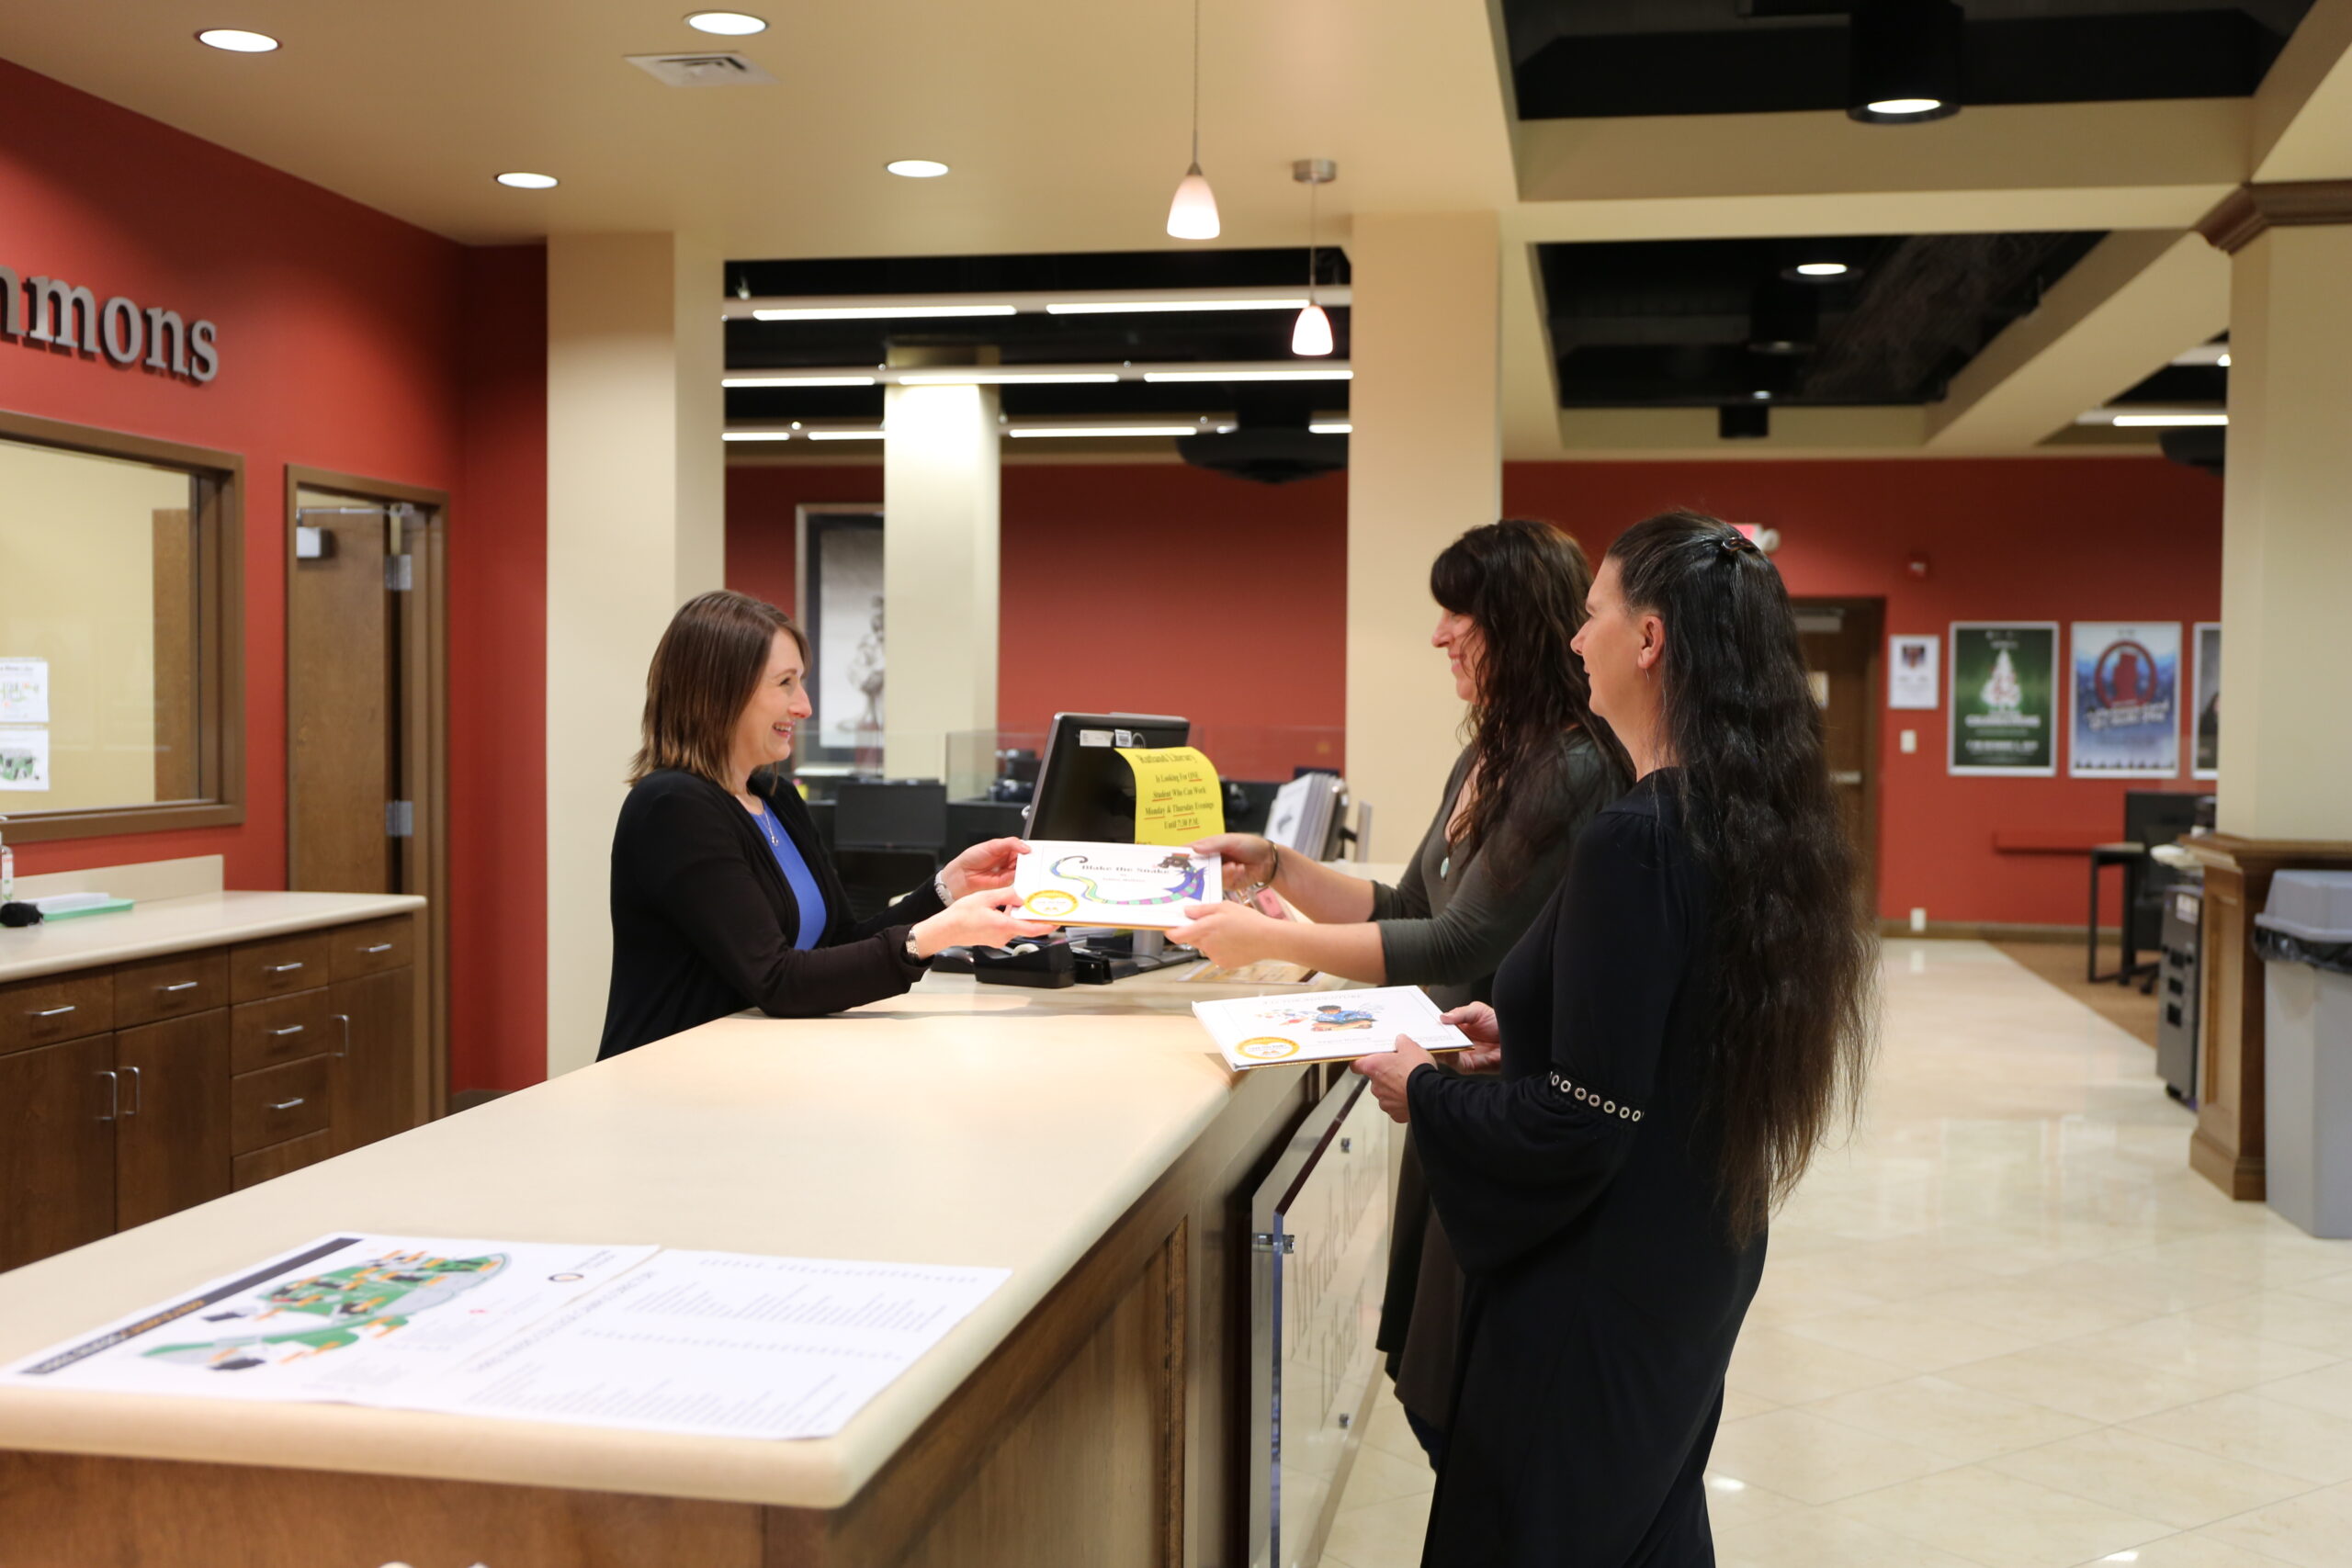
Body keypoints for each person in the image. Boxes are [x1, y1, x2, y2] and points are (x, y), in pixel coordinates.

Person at [1352, 511, 1875, 1566]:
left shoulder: (1634, 840)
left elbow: (1582, 1123)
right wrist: (1530, 1035)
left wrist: (1428, 1091)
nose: (1574, 638)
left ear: (1648, 639)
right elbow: (1672, 1045)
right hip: (1693, 1252)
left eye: (1592, 615)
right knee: (1642, 1528)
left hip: (1599, 1288)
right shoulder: (1743, 818)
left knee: (1544, 1529)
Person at [1169, 518, 1630, 1461]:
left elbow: (1460, 941)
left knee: (1463, 1396)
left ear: (1518, 624)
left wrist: (1264, 938)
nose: (1438, 635)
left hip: (1505, 1094)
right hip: (1450, 1091)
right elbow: (1411, 905)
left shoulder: (1573, 767)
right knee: (1429, 1381)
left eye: (1462, 615)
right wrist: (1277, 865)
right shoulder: (1490, 755)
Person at [598, 591, 1053, 1060]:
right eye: (785, 683)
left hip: (751, 1066)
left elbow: (838, 944)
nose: (804, 707)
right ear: (719, 691)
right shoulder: (673, 806)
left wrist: (948, 889)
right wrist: (940, 935)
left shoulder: (776, 798)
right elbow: (777, 979)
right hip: (670, 1073)